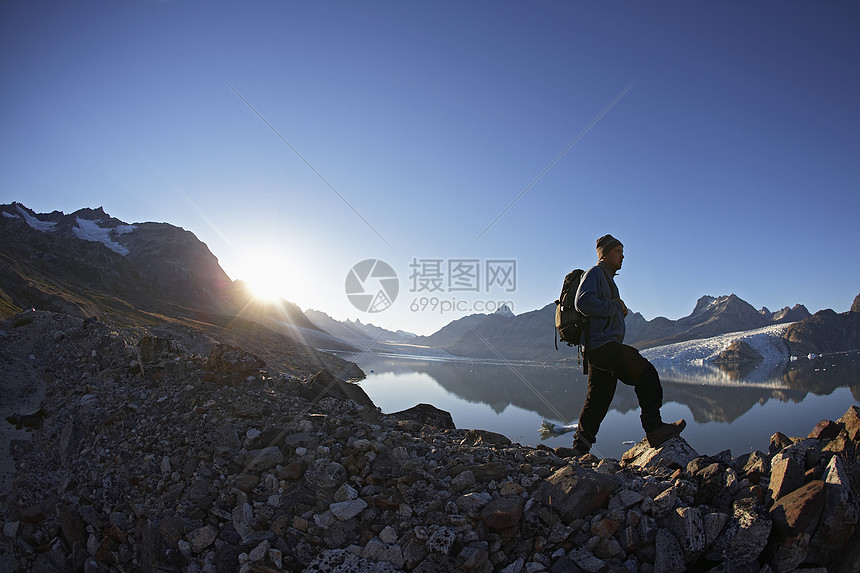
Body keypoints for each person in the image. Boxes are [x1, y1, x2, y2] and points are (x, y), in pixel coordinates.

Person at [556, 234, 686, 457]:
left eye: (622, 252)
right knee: (646, 373)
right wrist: (615, 305)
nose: (623, 256)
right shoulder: (596, 273)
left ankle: (579, 449)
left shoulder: (607, 278)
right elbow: (582, 303)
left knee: (598, 399)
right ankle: (654, 428)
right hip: (602, 346)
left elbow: (601, 311)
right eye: (618, 251)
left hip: (598, 348)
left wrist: (618, 310)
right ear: (604, 255)